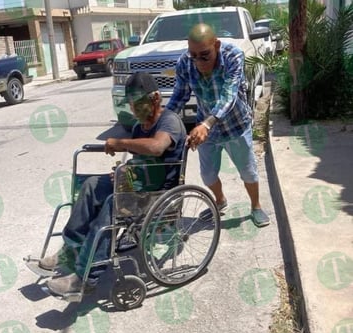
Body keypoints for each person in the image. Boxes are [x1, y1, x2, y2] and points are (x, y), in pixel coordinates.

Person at [41, 72, 187, 296]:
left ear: (156, 98)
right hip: (139, 187)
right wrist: (125, 174)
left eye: (139, 103)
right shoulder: (140, 127)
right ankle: (70, 253)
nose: (135, 109)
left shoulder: (170, 121)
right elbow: (139, 163)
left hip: (160, 194)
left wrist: (120, 143)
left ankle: (85, 277)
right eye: (131, 104)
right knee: (90, 185)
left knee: (113, 203)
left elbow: (157, 147)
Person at [166, 23, 270, 227]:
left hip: (236, 125)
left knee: (248, 171)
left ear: (217, 45)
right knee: (207, 175)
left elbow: (229, 95)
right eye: (193, 55)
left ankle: (256, 206)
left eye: (204, 55)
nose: (198, 61)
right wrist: (163, 121)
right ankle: (220, 200)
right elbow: (179, 96)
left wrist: (206, 124)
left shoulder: (233, 56)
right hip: (207, 131)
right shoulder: (185, 63)